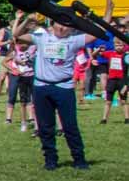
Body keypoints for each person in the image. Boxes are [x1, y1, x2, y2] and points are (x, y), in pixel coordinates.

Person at [16, 9, 93, 170]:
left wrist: (101, 15)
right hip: (42, 87)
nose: (62, 28)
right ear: (52, 24)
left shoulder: (74, 40)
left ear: (71, 28)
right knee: (45, 127)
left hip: (64, 87)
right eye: (59, 24)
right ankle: (50, 160)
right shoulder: (42, 37)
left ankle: (79, 159)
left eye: (66, 25)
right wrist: (26, 20)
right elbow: (17, 35)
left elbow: (98, 33)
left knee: (70, 126)